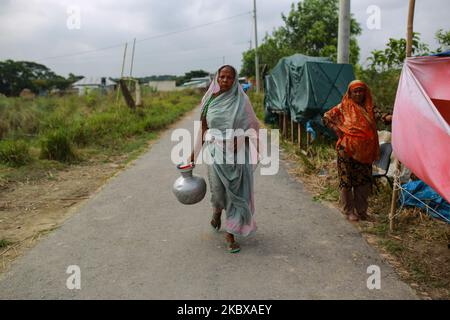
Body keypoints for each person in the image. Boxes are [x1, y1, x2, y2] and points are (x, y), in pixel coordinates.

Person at [187, 65, 260, 253]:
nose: (225, 80)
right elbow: (203, 130)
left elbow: (253, 126)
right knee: (218, 191)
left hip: (236, 155)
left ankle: (231, 232)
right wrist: (193, 156)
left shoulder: (241, 100)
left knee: (235, 193)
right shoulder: (209, 100)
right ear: (217, 78)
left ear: (234, 80)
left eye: (229, 77)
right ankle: (217, 210)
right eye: (222, 77)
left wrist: (243, 137)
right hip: (215, 152)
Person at [322, 80, 391, 222]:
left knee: (363, 182)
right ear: (350, 93)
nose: (359, 93)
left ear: (365, 92)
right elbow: (326, 117)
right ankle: (348, 211)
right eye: (356, 91)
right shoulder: (343, 107)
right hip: (346, 150)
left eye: (361, 90)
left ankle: (362, 211)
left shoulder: (370, 107)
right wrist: (338, 130)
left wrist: (390, 118)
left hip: (365, 152)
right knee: (346, 181)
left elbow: (381, 116)